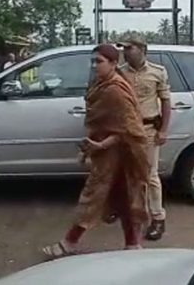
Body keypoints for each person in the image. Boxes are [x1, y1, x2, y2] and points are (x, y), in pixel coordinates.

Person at [41, 44, 149, 259]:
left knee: (94, 196)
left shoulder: (116, 89)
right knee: (123, 196)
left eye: (99, 61)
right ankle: (132, 244)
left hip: (120, 153)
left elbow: (129, 128)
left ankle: (69, 242)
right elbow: (100, 120)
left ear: (113, 64)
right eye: (92, 61)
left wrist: (101, 145)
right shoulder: (100, 85)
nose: (94, 65)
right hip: (106, 153)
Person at [118, 38, 171, 241]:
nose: (125, 51)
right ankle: (133, 215)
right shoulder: (120, 72)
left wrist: (164, 130)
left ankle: (158, 218)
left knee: (150, 175)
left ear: (142, 50)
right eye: (123, 48)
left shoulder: (157, 71)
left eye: (129, 48)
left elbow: (166, 101)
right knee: (128, 175)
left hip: (149, 129)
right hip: (127, 130)